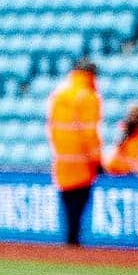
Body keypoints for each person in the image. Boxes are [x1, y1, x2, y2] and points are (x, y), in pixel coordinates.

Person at [47, 59, 103, 246]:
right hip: (82, 163)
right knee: (79, 205)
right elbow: (89, 133)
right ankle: (74, 241)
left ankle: (70, 239)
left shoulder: (59, 94)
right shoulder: (87, 96)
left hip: (62, 160)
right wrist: (97, 160)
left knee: (68, 205)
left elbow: (52, 128)